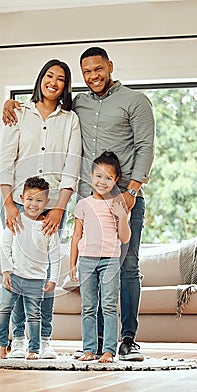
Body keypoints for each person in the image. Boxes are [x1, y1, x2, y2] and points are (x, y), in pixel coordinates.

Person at [2, 47, 155, 361]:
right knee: (90, 269)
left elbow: (145, 146)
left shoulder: (135, 102)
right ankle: (96, 342)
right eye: (87, 72)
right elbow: (43, 112)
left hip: (124, 198)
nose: (94, 76)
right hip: (87, 203)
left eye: (99, 69)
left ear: (110, 66)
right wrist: (9, 104)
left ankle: (126, 339)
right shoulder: (77, 106)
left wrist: (132, 192)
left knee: (126, 267)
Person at [0, 59, 82, 359]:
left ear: (66, 86)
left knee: (45, 276)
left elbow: (73, 164)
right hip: (18, 203)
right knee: (18, 274)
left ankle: (44, 338)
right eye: (49, 75)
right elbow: (6, 160)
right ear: (40, 79)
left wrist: (60, 208)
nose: (54, 82)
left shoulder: (70, 119)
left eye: (61, 78)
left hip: (52, 206)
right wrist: (9, 204)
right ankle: (18, 339)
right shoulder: (19, 112)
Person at [70, 151, 131, 362]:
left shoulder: (118, 204)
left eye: (108, 178)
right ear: (91, 176)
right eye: (98, 176)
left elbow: (124, 238)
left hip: (110, 261)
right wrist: (73, 264)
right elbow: (76, 236)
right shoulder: (83, 204)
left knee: (109, 305)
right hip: (86, 260)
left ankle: (109, 351)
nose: (102, 181)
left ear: (115, 180)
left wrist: (122, 216)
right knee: (88, 306)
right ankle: (89, 349)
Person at [0, 177, 60, 360]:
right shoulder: (15, 221)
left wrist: (53, 279)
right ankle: (3, 347)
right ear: (22, 197)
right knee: (4, 310)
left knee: (34, 316)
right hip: (14, 276)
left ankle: (34, 349)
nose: (33, 204)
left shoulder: (47, 227)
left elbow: (55, 256)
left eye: (39, 200)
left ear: (46, 202)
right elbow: (5, 247)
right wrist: (6, 271)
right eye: (30, 199)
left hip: (37, 280)